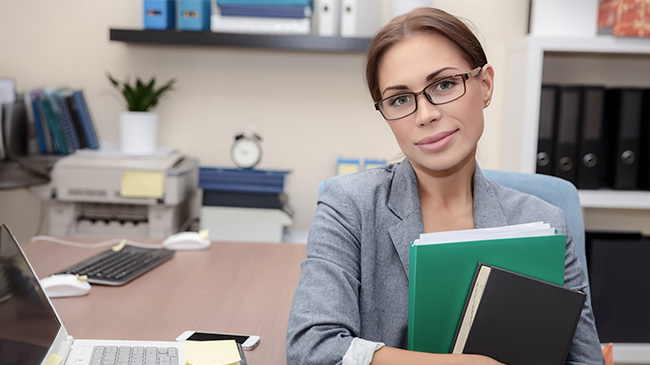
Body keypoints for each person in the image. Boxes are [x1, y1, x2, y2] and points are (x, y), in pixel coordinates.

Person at [286, 7, 604, 365]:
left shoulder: (544, 222)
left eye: (444, 84)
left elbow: (584, 360)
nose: (426, 115)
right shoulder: (349, 206)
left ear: (484, 85)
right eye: (400, 99)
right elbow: (312, 349)